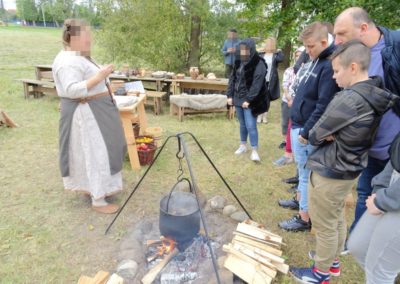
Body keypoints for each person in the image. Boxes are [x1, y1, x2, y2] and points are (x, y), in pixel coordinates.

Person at [290, 40, 394, 284]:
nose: (334, 77)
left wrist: (327, 133)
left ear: (354, 67)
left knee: (325, 223)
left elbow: (315, 133)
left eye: (337, 71)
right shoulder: (372, 91)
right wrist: (331, 133)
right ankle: (332, 262)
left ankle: (320, 274)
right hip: (350, 167)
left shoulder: (348, 99)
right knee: (336, 217)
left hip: (331, 169)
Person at [333, 7, 400, 236]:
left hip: (395, 148)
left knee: (392, 202)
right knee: (365, 192)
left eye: (341, 34)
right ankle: (356, 238)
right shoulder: (354, 56)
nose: (337, 41)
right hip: (371, 145)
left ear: (363, 28)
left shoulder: (396, 46)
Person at [53, 19, 127, 214]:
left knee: (100, 151)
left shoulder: (78, 56)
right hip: (86, 115)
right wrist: (100, 76)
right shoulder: (67, 61)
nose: (89, 40)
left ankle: (96, 189)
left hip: (95, 111)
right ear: (73, 37)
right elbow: (71, 89)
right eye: (86, 36)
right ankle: (98, 200)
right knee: (95, 153)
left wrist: (103, 74)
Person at [278, 22, 340, 232]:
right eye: (305, 46)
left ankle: (304, 218)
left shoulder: (328, 63)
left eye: (311, 46)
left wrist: (306, 131)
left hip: (307, 130)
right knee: (301, 172)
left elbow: (323, 104)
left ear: (324, 41)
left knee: (306, 176)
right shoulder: (316, 59)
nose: (307, 51)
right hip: (298, 125)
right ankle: (299, 201)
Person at [348, 132, 400, 284]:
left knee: (379, 270)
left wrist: (384, 201)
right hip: (392, 184)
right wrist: (380, 187)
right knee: (358, 245)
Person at [227, 38, 268, 162]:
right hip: (238, 98)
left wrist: (249, 100)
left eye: (245, 49)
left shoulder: (259, 63)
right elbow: (232, 79)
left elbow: (257, 84)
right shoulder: (238, 61)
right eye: (241, 49)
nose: (242, 51)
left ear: (251, 49)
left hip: (251, 99)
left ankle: (254, 150)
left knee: (251, 125)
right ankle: (243, 145)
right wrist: (230, 96)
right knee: (242, 124)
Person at [273, 47, 303, 166]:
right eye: (297, 55)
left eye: (301, 55)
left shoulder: (306, 70)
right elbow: (285, 85)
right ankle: (287, 144)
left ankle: (291, 152)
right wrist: (289, 98)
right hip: (288, 101)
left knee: (294, 125)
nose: (298, 57)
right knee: (286, 123)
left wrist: (294, 101)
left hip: (298, 103)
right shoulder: (289, 70)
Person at [257, 37, 283, 124]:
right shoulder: (261, 54)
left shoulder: (275, 55)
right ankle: (259, 115)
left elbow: (281, 59)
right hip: (261, 79)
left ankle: (265, 116)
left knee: (267, 98)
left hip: (271, 80)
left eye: (269, 43)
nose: (268, 45)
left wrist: (279, 51)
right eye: (266, 43)